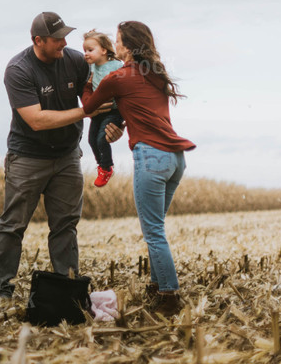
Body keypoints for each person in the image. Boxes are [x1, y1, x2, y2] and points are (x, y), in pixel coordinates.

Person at [80, 21, 196, 317]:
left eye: (118, 41)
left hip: (152, 156)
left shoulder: (117, 78)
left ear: (128, 47)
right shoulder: (155, 74)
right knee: (156, 228)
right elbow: (140, 108)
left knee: (154, 233)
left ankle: (170, 296)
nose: (115, 47)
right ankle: (158, 289)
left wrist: (87, 78)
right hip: (176, 159)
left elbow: (89, 107)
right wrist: (120, 123)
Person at [0, 12, 107, 299]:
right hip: (28, 157)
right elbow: (36, 120)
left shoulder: (75, 60)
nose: (64, 43)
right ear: (38, 40)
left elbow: (97, 94)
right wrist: (85, 112)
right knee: (13, 225)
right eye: (57, 39)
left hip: (67, 157)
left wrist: (111, 123)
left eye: (65, 36)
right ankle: (0, 288)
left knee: (65, 225)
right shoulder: (18, 69)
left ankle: (67, 286)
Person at [82, 30, 124, 188]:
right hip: (98, 113)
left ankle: (107, 166)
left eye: (90, 50)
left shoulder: (116, 65)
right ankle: (102, 166)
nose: (86, 54)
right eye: (85, 50)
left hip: (113, 111)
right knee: (91, 140)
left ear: (104, 50)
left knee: (101, 139)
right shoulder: (93, 68)